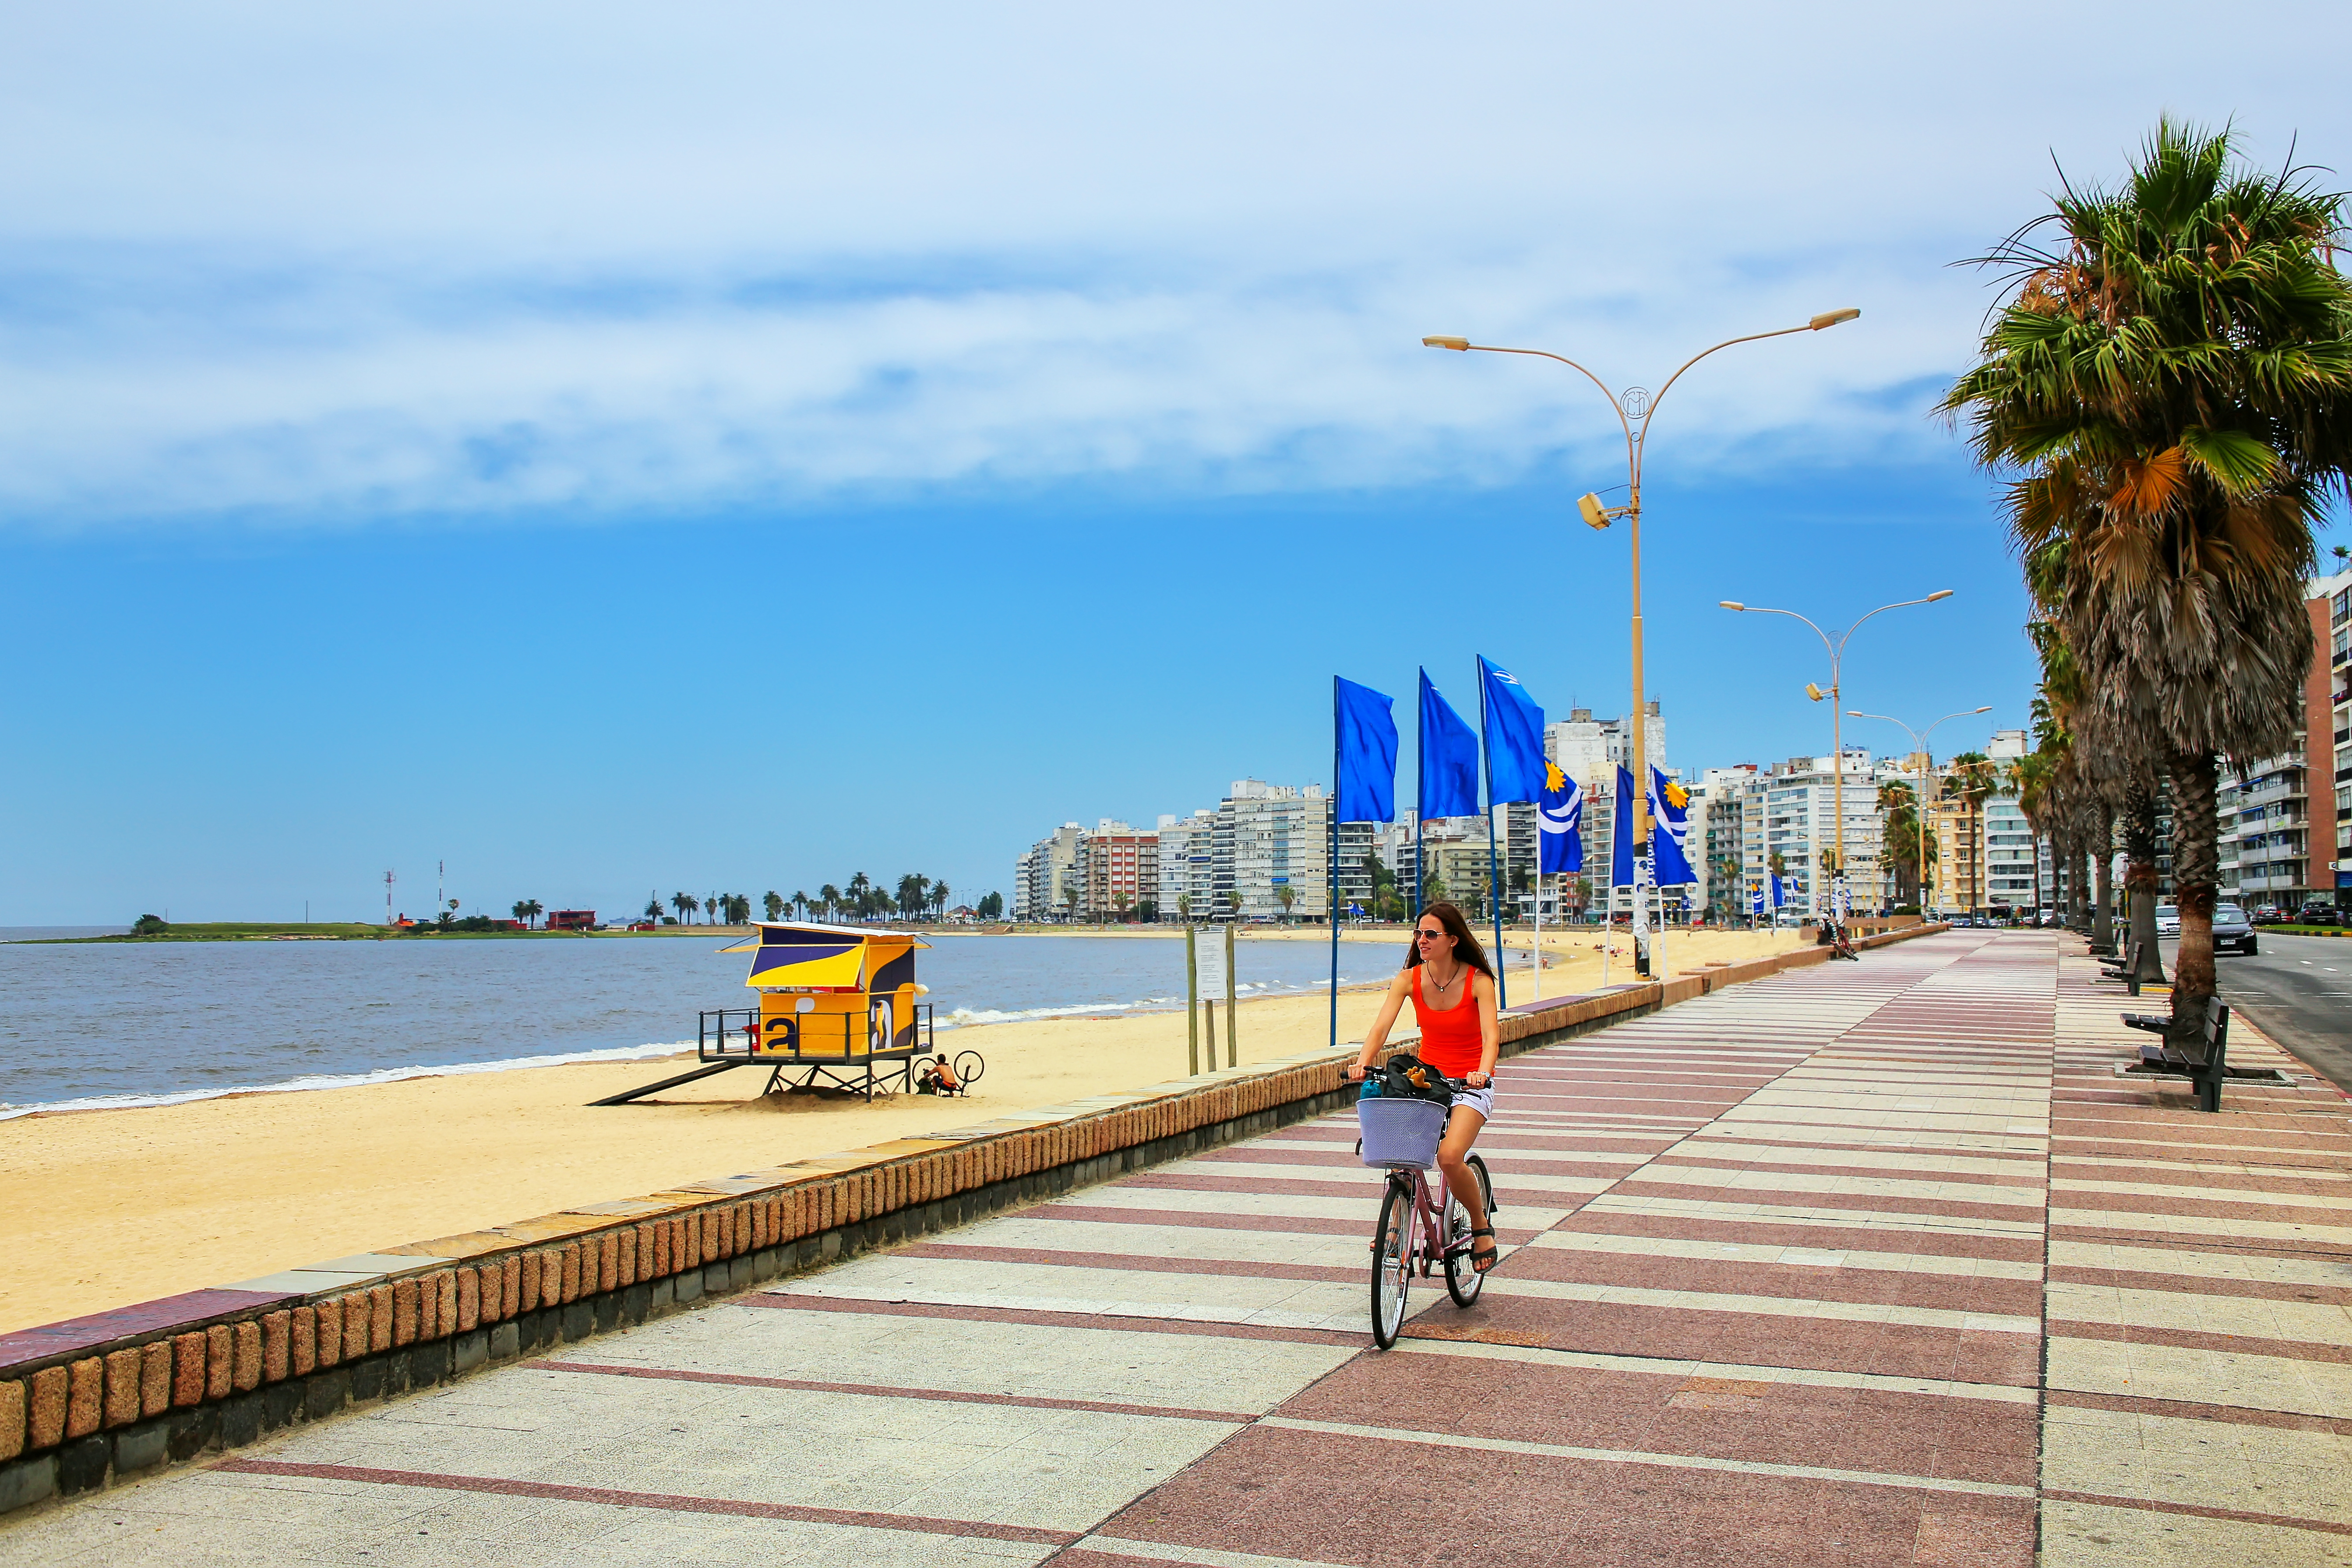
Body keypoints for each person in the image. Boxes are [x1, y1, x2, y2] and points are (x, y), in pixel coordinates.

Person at [1345, 901, 1500, 1273]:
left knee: (1448, 1157)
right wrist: (1363, 1061)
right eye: (1418, 933)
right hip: (1426, 1080)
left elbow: (1492, 1036)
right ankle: (1397, 1227)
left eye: (1431, 934)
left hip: (1467, 1084)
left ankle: (1481, 1228)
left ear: (1452, 939)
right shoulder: (1409, 979)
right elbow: (1381, 1027)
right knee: (1400, 1153)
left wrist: (1482, 1071)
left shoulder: (1478, 981)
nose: (1422, 940)